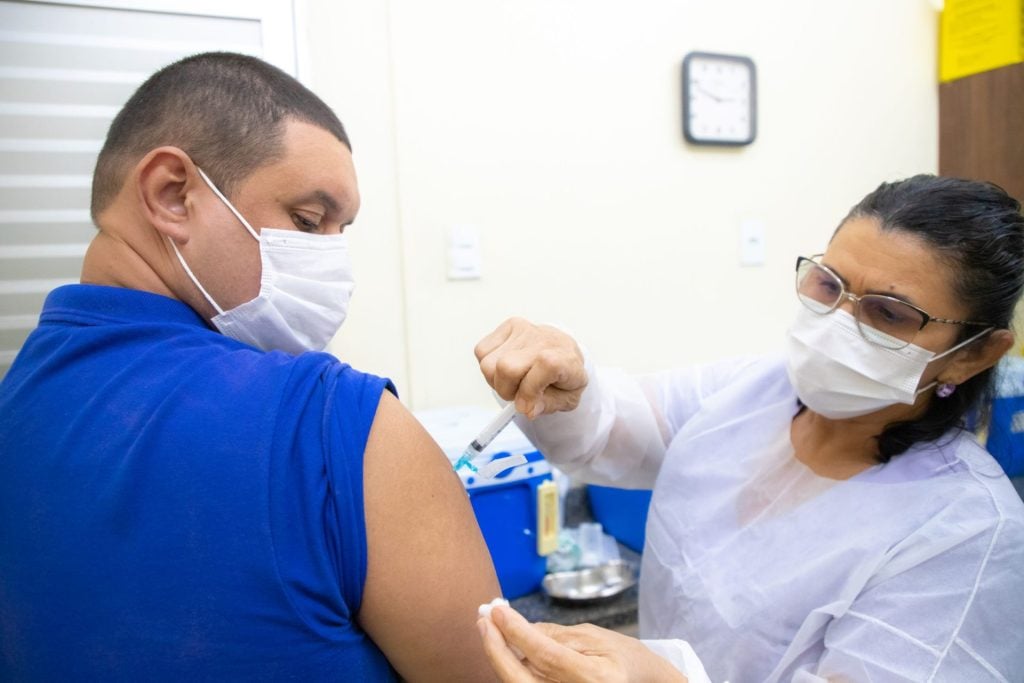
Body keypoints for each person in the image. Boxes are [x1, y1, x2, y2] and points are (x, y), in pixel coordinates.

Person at [0, 52, 500, 682]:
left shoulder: (17, 405)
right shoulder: (333, 425)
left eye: (339, 231)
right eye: (308, 221)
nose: (333, 268)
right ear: (171, 194)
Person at [472, 175, 1024, 682]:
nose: (837, 327)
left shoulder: (970, 537)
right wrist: (568, 377)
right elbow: (612, 428)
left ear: (972, 355)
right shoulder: (755, 390)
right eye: (828, 285)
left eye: (890, 314)